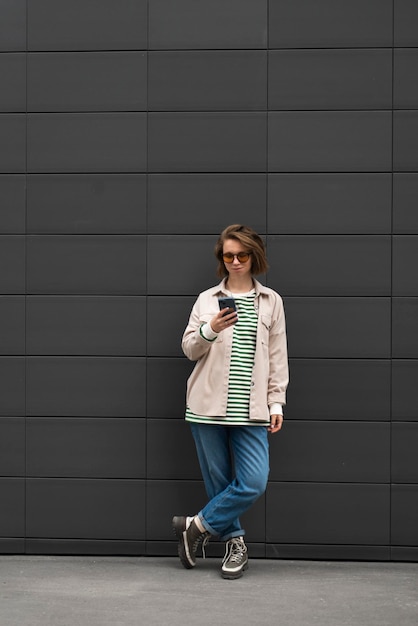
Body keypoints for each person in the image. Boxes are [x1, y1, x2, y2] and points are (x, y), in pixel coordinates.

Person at [172, 224, 289, 579]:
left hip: (251, 410)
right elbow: (189, 349)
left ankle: (196, 527)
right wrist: (212, 329)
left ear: (255, 256)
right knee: (219, 484)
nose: (236, 261)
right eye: (228, 255)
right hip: (206, 406)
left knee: (254, 481)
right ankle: (235, 544)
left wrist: (276, 403)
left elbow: (278, 356)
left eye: (242, 254)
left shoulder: (271, 301)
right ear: (222, 259)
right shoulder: (207, 300)